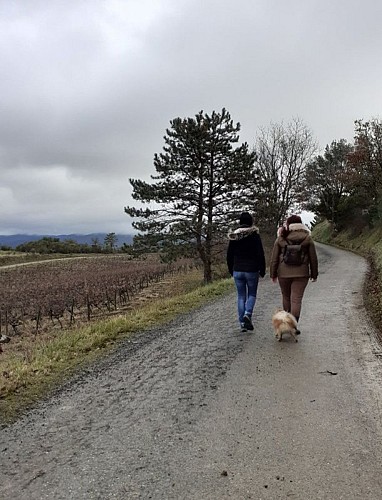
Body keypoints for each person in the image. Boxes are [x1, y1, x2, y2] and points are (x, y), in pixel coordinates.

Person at [270, 214, 318, 334]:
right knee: (296, 299)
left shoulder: (281, 237)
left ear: (289, 224)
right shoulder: (307, 237)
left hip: (283, 273)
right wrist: (314, 274)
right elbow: (313, 258)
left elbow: (274, 258)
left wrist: (273, 274)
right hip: (302, 273)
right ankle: (294, 325)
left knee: (286, 297)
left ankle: (286, 323)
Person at [227, 212, 266, 332]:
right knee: (252, 294)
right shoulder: (254, 236)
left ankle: (242, 324)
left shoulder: (234, 237)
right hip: (251, 270)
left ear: (240, 222)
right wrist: (262, 269)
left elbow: (229, 255)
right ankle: (247, 314)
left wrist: (231, 269)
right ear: (251, 222)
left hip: (237, 270)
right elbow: (260, 253)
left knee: (241, 296)